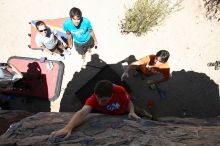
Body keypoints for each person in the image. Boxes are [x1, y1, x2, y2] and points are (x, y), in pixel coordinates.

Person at [50, 80, 140, 139]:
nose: (100, 103)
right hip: (111, 113)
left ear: (112, 95)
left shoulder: (120, 90)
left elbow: (128, 102)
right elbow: (82, 112)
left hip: (125, 111)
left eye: (104, 100)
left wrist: (132, 111)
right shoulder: (92, 99)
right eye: (98, 99)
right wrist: (68, 128)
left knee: (140, 113)